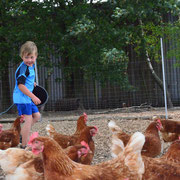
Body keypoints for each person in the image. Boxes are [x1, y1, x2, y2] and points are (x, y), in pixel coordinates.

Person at [13, 41, 41, 149]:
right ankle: (24, 146)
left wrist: (32, 83)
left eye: (32, 57)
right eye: (26, 57)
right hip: (22, 98)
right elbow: (20, 85)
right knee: (28, 120)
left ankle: (21, 135)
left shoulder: (30, 67)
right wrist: (33, 96)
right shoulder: (23, 68)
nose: (29, 60)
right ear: (22, 57)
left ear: (36, 56)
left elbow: (26, 81)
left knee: (37, 116)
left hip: (27, 98)